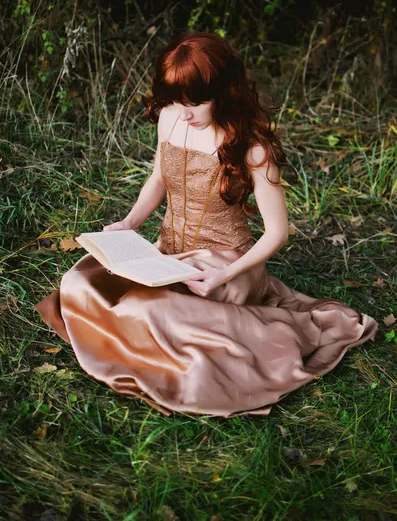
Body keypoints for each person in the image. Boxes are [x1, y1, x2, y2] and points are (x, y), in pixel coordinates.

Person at [35, 31, 378, 418]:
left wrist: (224, 275)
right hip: (167, 254)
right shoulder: (169, 119)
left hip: (224, 265)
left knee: (150, 312)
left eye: (196, 102)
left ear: (224, 92)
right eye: (179, 101)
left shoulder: (253, 148)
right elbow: (158, 180)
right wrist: (129, 223)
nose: (185, 112)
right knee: (79, 281)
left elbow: (277, 233)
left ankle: (162, 331)